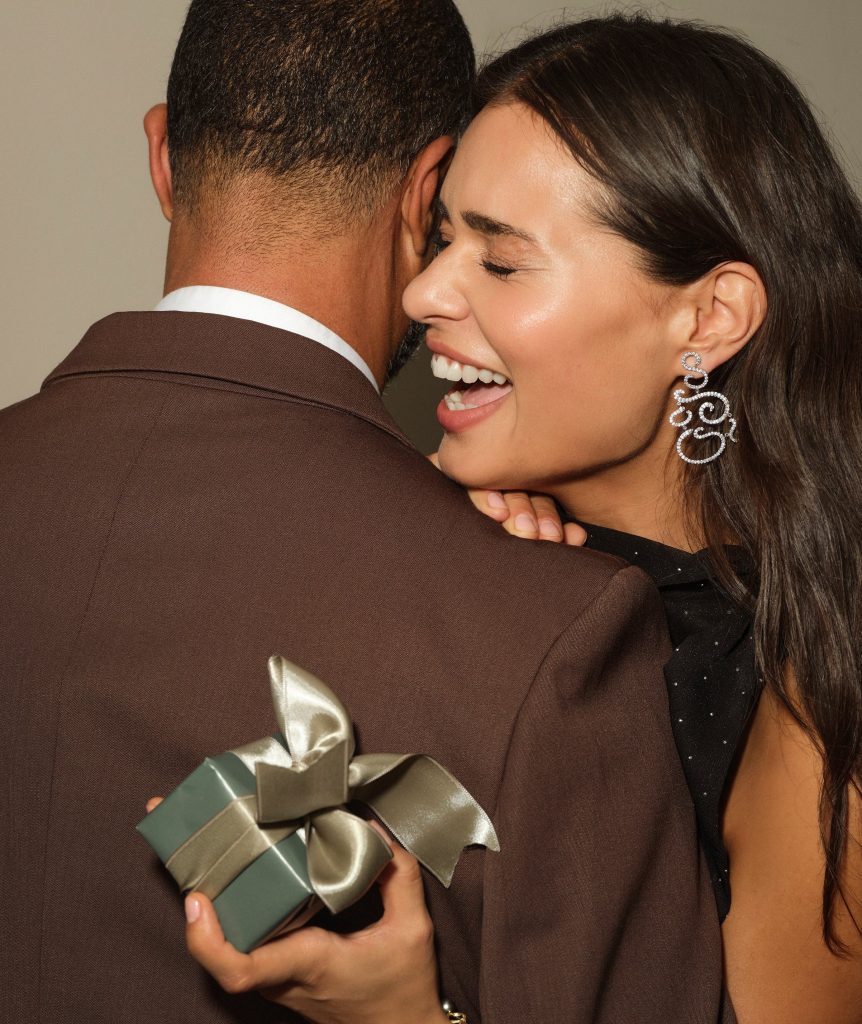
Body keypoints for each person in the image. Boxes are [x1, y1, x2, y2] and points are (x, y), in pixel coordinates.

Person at [0, 4, 728, 1024]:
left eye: (502, 258)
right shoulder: (542, 626)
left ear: (163, 158)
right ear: (423, 194)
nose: (440, 292)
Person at [178, 12, 862, 1024]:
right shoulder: (433, 547)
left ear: (707, 319)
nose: (419, 290)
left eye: (499, 262)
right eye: (441, 234)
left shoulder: (811, 680)